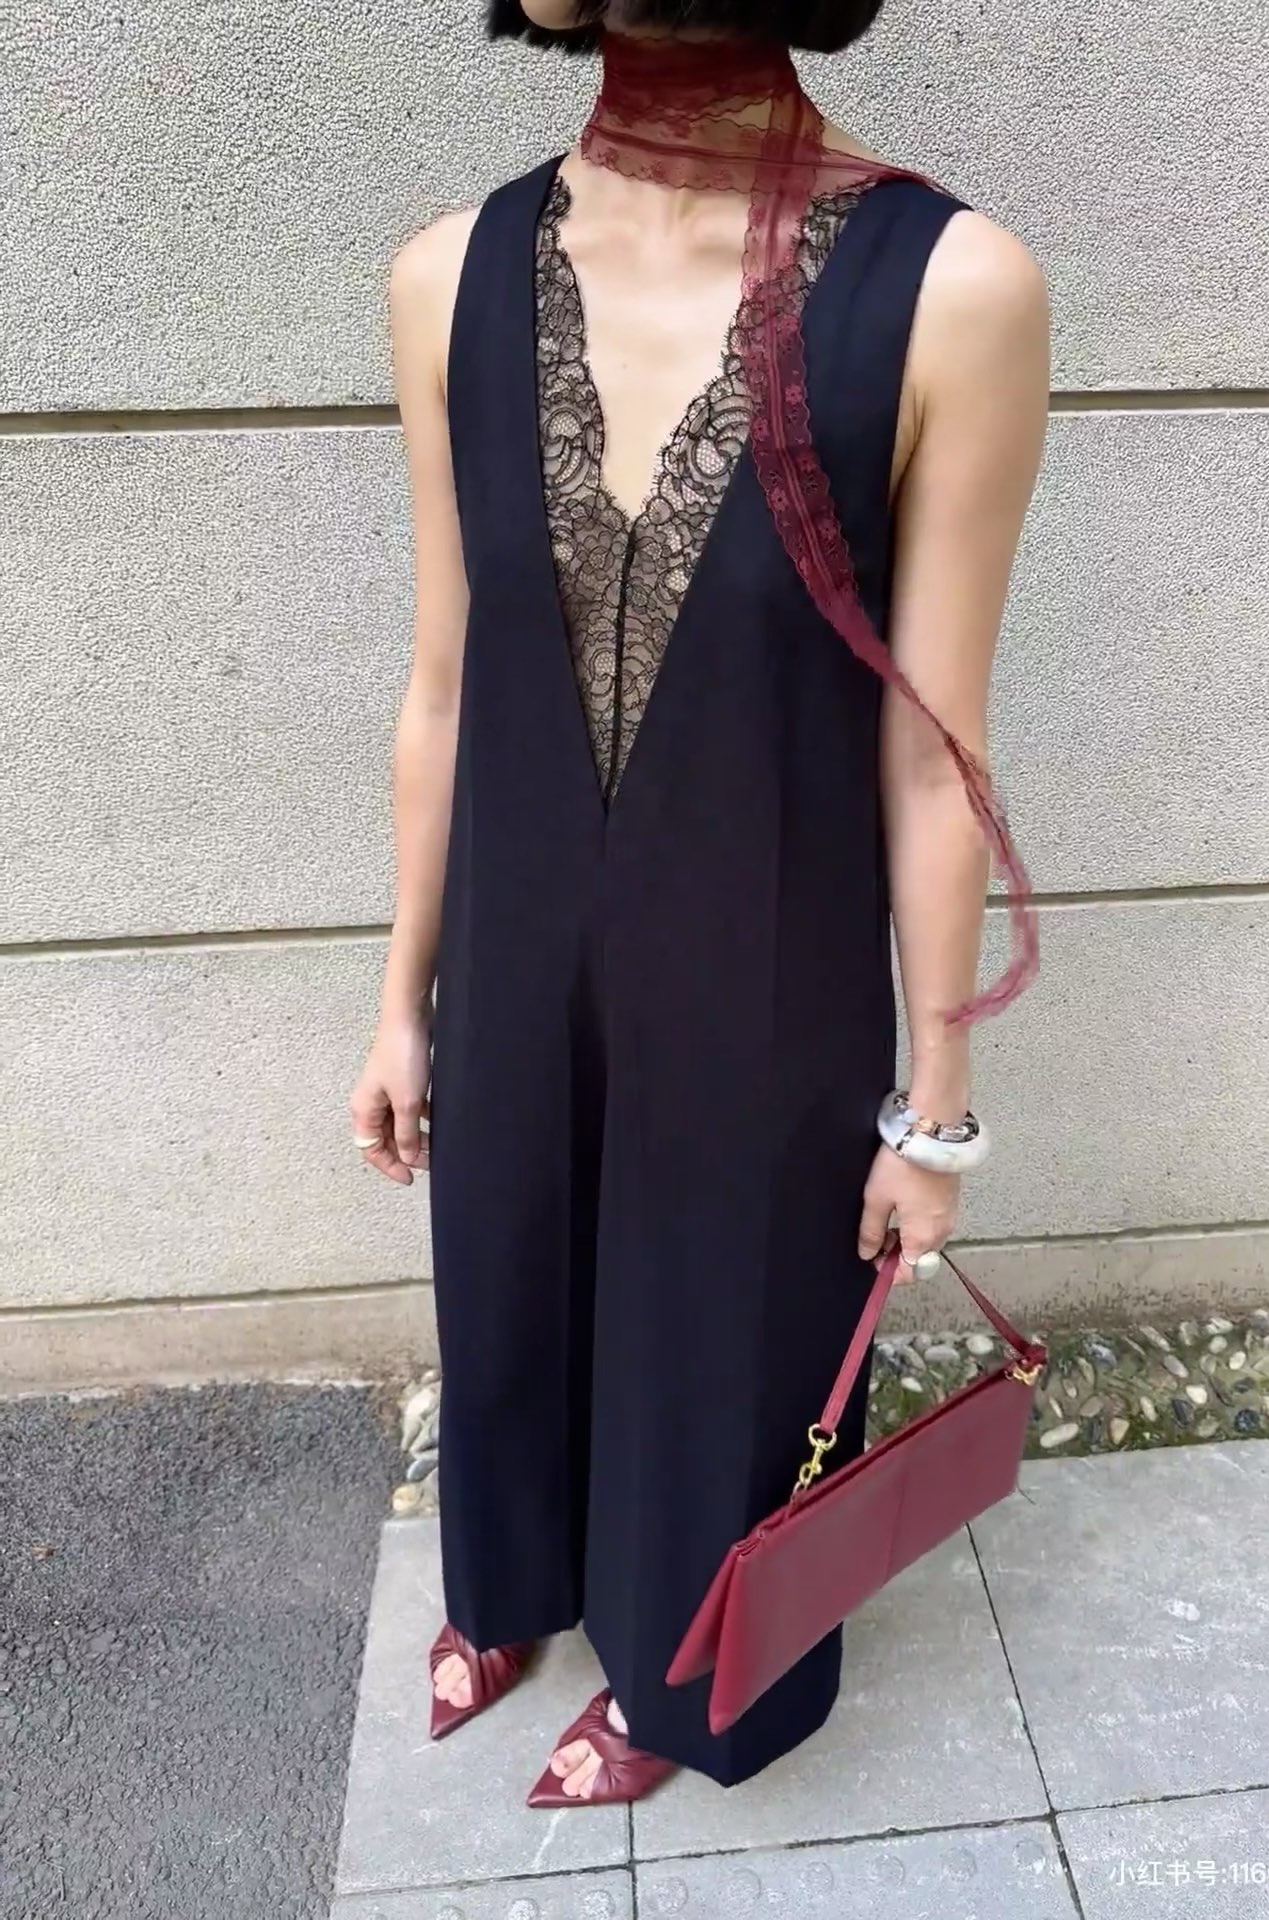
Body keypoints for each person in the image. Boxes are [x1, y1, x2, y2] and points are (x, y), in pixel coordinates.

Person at [350, 0, 1049, 1808]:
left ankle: (688, 1675)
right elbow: (443, 681)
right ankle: (511, 1579)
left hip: (767, 960)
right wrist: (400, 1000)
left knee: (728, 1315)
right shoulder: (447, 277)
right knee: (505, 1266)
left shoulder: (952, 289)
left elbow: (935, 752)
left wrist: (936, 1111)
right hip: (512, 944)